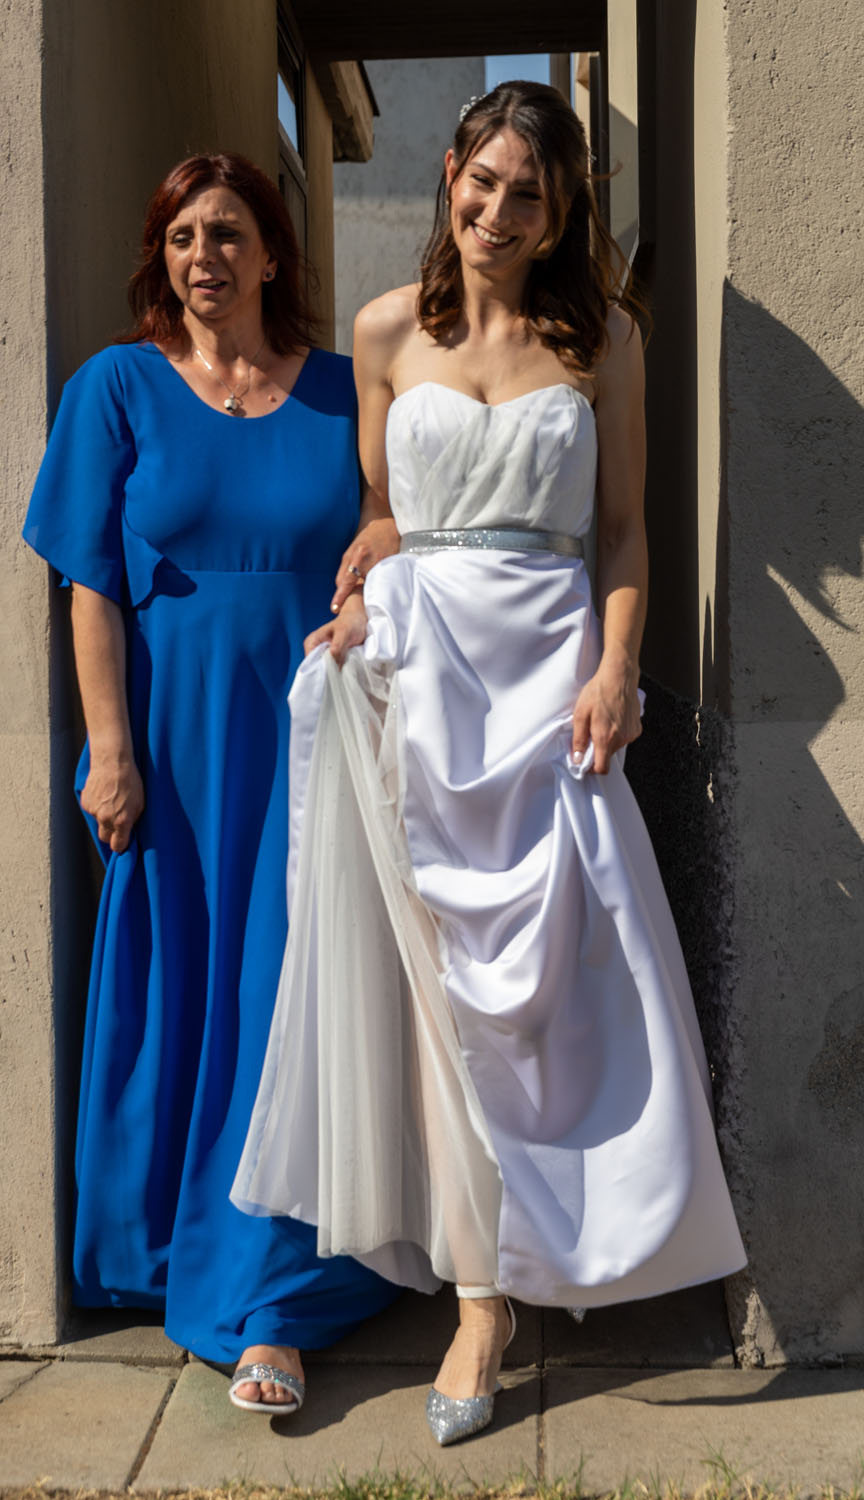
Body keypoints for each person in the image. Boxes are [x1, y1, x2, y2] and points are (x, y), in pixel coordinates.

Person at [232, 84, 747, 1443]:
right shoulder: (381, 331)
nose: (498, 212)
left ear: (562, 211)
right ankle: (479, 1298)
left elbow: (623, 531)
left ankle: (571, 1239)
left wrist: (617, 668)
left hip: (549, 684)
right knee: (437, 998)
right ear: (451, 171)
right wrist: (365, 580)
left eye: (530, 193)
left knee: (566, 985)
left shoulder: (605, 339)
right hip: (416, 683)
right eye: (483, 180)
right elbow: (390, 510)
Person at [22, 152, 400, 1415]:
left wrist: (378, 556)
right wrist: (109, 751)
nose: (205, 257)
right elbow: (88, 583)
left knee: (281, 1006)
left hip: (310, 749)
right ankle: (158, 1253)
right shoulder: (116, 386)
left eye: (229, 233)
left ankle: (267, 1306)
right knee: (178, 988)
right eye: (184, 236)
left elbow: (402, 527)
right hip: (173, 757)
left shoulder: (343, 392)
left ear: (273, 254)